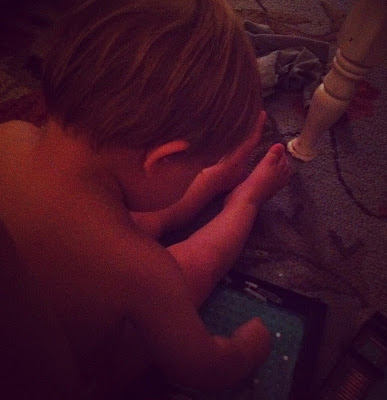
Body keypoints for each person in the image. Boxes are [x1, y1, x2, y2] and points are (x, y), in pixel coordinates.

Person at [0, 0, 291, 398]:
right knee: (181, 267)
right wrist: (245, 351)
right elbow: (202, 368)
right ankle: (247, 199)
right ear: (166, 158)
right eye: (198, 166)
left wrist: (202, 175)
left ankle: (215, 180)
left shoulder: (12, 134)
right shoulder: (141, 269)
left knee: (117, 219)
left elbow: (97, 217)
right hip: (48, 381)